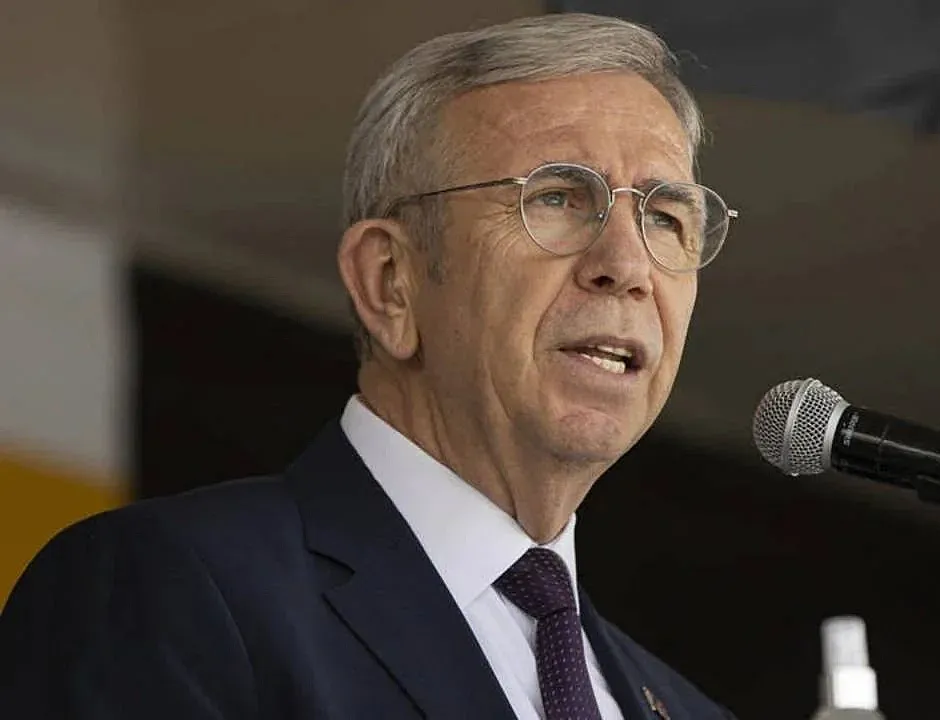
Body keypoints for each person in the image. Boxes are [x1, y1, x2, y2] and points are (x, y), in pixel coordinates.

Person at [0, 12, 739, 720]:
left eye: (665, 218)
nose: (627, 266)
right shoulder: (171, 588)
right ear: (391, 282)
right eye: (557, 199)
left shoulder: (689, 710)